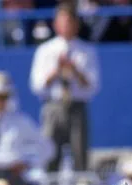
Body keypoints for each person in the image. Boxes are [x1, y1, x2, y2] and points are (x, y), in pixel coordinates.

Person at [29, 2, 100, 172]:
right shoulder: (45, 51)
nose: (66, 26)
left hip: (77, 108)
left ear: (76, 24)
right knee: (50, 156)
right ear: (55, 24)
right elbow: (37, 86)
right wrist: (56, 71)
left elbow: (93, 86)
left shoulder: (87, 51)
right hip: (53, 107)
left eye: (70, 22)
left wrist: (75, 70)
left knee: (80, 157)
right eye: (62, 21)